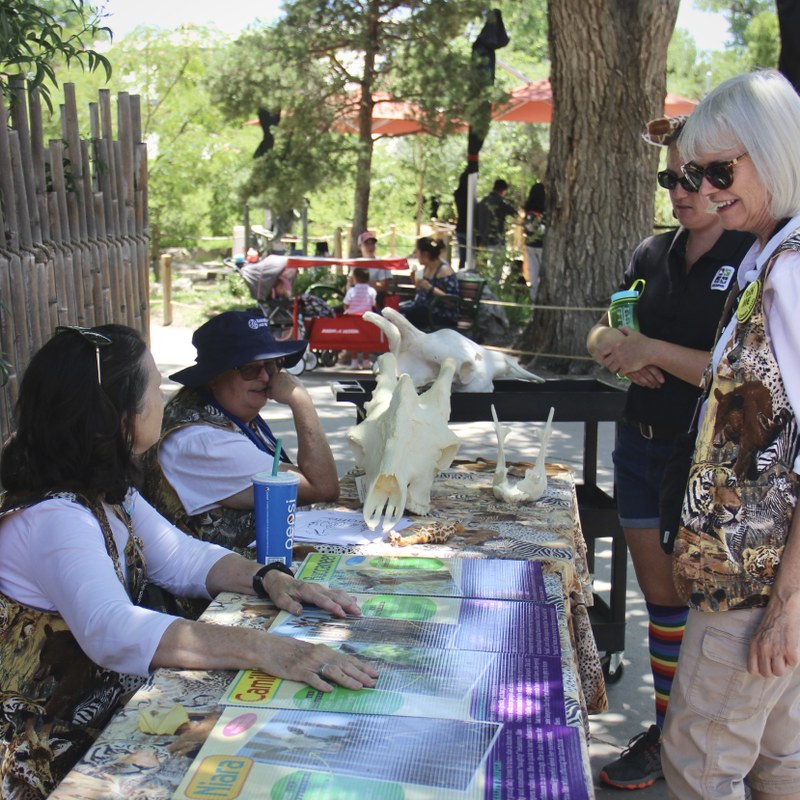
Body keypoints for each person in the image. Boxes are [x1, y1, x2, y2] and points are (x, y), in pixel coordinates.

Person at [0, 324, 378, 799]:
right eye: (155, 387)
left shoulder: (104, 491)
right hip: (47, 751)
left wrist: (269, 578)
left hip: (96, 713)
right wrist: (262, 647)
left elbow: (178, 555)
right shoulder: (57, 518)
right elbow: (110, 629)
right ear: (118, 414)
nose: (166, 396)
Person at [586, 114, 754, 791]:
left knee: (714, 612)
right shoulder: (652, 252)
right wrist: (611, 350)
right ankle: (666, 730)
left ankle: (705, 739)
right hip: (639, 445)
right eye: (672, 179)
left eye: (699, 177)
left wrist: (651, 351)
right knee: (662, 603)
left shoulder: (754, 254)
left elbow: (743, 371)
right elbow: (608, 325)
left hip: (708, 462)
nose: (684, 192)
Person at [658, 70, 800, 800]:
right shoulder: (767, 252)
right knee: (778, 758)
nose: (706, 190)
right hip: (755, 576)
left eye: (721, 170)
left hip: (757, 585)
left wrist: (787, 607)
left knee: (698, 766)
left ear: (773, 150)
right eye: (694, 173)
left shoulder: (791, 269)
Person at [142, 310, 339, 560]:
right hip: (213, 594)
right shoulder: (203, 443)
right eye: (249, 368)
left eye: (271, 364)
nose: (266, 377)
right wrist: (300, 400)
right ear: (214, 377)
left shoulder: (224, 410)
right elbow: (323, 487)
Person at [400, 236, 459, 331]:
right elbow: (423, 295)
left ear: (425, 254)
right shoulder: (426, 268)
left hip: (440, 314)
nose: (415, 255)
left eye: (417, 252)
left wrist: (429, 287)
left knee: (405, 315)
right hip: (424, 310)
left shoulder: (444, 270)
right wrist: (416, 282)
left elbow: (452, 302)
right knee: (398, 310)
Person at [343, 267, 377, 370]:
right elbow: (374, 304)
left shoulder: (351, 291)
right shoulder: (371, 291)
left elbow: (346, 304)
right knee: (366, 340)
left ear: (355, 278)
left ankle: (354, 362)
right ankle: (366, 361)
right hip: (367, 319)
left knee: (354, 340)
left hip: (352, 320)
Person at [476, 178, 517, 250]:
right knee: (497, 260)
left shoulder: (483, 201)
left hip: (483, 239)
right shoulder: (501, 203)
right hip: (496, 240)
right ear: (503, 190)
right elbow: (515, 214)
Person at [523, 181, 546, 304]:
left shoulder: (529, 212)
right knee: (543, 277)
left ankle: (533, 302)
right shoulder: (545, 211)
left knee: (533, 276)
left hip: (530, 245)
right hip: (543, 246)